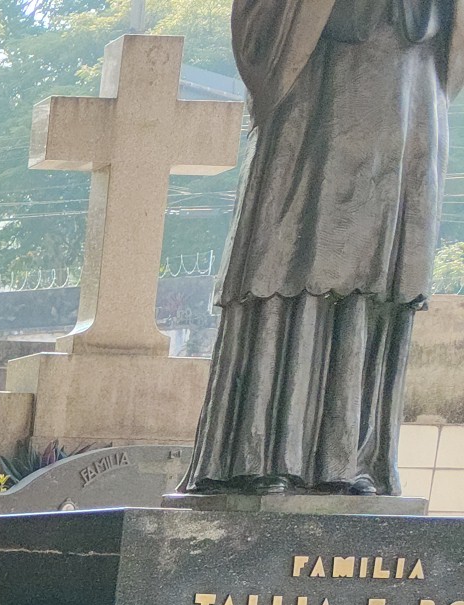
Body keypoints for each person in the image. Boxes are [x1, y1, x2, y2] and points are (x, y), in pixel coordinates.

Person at [184, 0, 459, 495]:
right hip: (322, 82)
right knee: (295, 259)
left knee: (380, 276)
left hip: (412, 80)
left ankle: (350, 459)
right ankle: (265, 452)